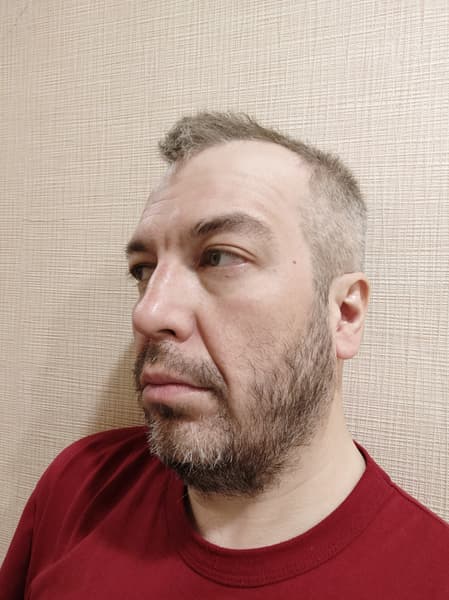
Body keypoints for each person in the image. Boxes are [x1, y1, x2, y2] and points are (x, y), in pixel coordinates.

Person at [1, 112, 448, 598]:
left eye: (219, 256)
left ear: (343, 314)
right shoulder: (79, 485)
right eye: (143, 269)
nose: (148, 313)